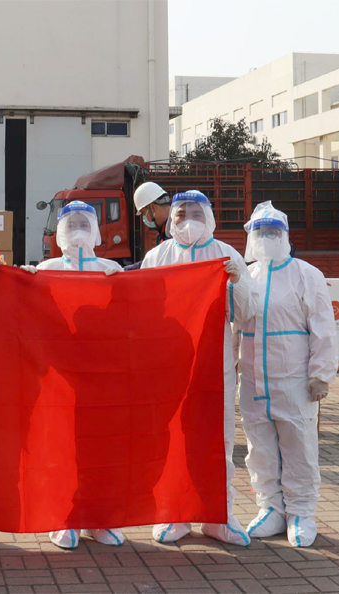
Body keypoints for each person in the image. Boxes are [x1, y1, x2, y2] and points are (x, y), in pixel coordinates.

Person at [141, 189, 258, 547]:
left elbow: (247, 313)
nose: (188, 220)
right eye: (181, 214)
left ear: (209, 217)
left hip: (213, 362)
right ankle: (175, 512)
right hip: (169, 363)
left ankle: (218, 515)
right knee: (172, 439)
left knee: (216, 439)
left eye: (196, 213)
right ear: (171, 219)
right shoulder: (158, 256)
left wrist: (237, 283)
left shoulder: (226, 255)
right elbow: (141, 308)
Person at [236, 201, 336, 548]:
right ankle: (270, 508)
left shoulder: (306, 275)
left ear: (285, 235)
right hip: (253, 380)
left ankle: (301, 512)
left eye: (273, 232)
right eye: (260, 232)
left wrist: (320, 373)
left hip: (292, 380)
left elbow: (323, 326)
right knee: (259, 448)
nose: (266, 238)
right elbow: (234, 326)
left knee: (299, 447)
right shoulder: (246, 276)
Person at [29, 200, 124, 549]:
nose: (78, 231)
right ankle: (64, 516)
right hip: (60, 375)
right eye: (71, 225)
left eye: (85, 223)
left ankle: (100, 516)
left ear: (97, 229)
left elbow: (127, 316)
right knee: (61, 446)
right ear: (59, 232)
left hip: (101, 375)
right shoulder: (48, 269)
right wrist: (22, 281)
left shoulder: (111, 269)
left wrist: (124, 285)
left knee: (102, 447)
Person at [123, 181, 171, 271]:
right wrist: (125, 270)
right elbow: (152, 261)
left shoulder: (176, 231)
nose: (144, 218)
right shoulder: (163, 233)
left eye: (144, 213)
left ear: (152, 208)